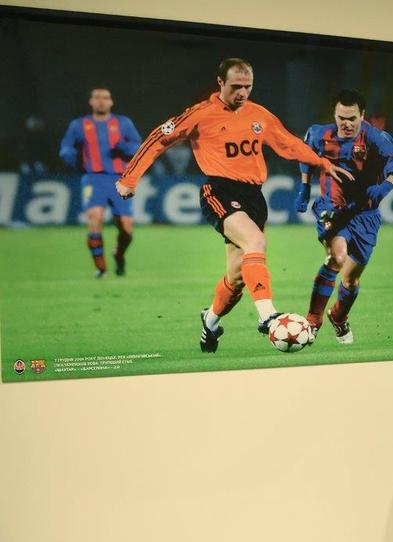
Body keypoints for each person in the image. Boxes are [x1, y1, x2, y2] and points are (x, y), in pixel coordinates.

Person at [115, 58, 353, 352]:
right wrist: (130, 178)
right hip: (219, 191)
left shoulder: (259, 114)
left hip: (254, 197)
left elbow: (288, 144)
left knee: (237, 278)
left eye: (247, 86)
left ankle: (210, 321)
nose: (242, 92)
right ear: (220, 83)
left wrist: (322, 163)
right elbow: (159, 139)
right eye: (236, 86)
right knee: (255, 242)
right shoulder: (201, 114)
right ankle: (268, 316)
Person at [294, 89, 393, 344]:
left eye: (352, 118)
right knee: (336, 257)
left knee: (351, 278)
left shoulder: (375, 137)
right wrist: (304, 188)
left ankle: (338, 316)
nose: (346, 123)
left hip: (365, 213)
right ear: (334, 115)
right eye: (341, 117)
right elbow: (306, 157)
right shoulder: (319, 134)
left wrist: (386, 185)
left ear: (362, 115)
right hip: (332, 208)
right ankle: (313, 320)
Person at [59, 88, 142, 277]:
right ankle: (101, 268)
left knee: (126, 228)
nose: (101, 101)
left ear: (111, 102)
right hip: (93, 178)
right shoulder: (79, 125)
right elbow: (66, 145)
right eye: (97, 98)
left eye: (105, 98)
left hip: (121, 179)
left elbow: (138, 145)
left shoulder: (123, 123)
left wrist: (125, 148)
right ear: (91, 102)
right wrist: (67, 154)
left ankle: (119, 254)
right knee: (94, 217)